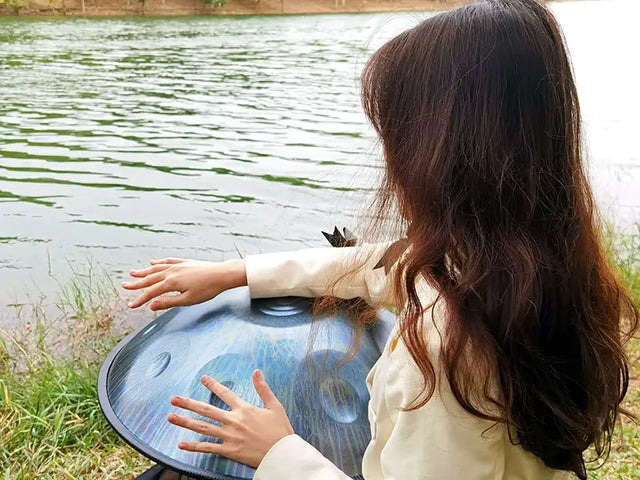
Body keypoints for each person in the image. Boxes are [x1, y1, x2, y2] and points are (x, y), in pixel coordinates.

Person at [122, 0, 639, 479]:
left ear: (439, 155)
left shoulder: (444, 344)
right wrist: (234, 273)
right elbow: (380, 266)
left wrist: (278, 451)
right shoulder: (534, 267)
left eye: (394, 139)